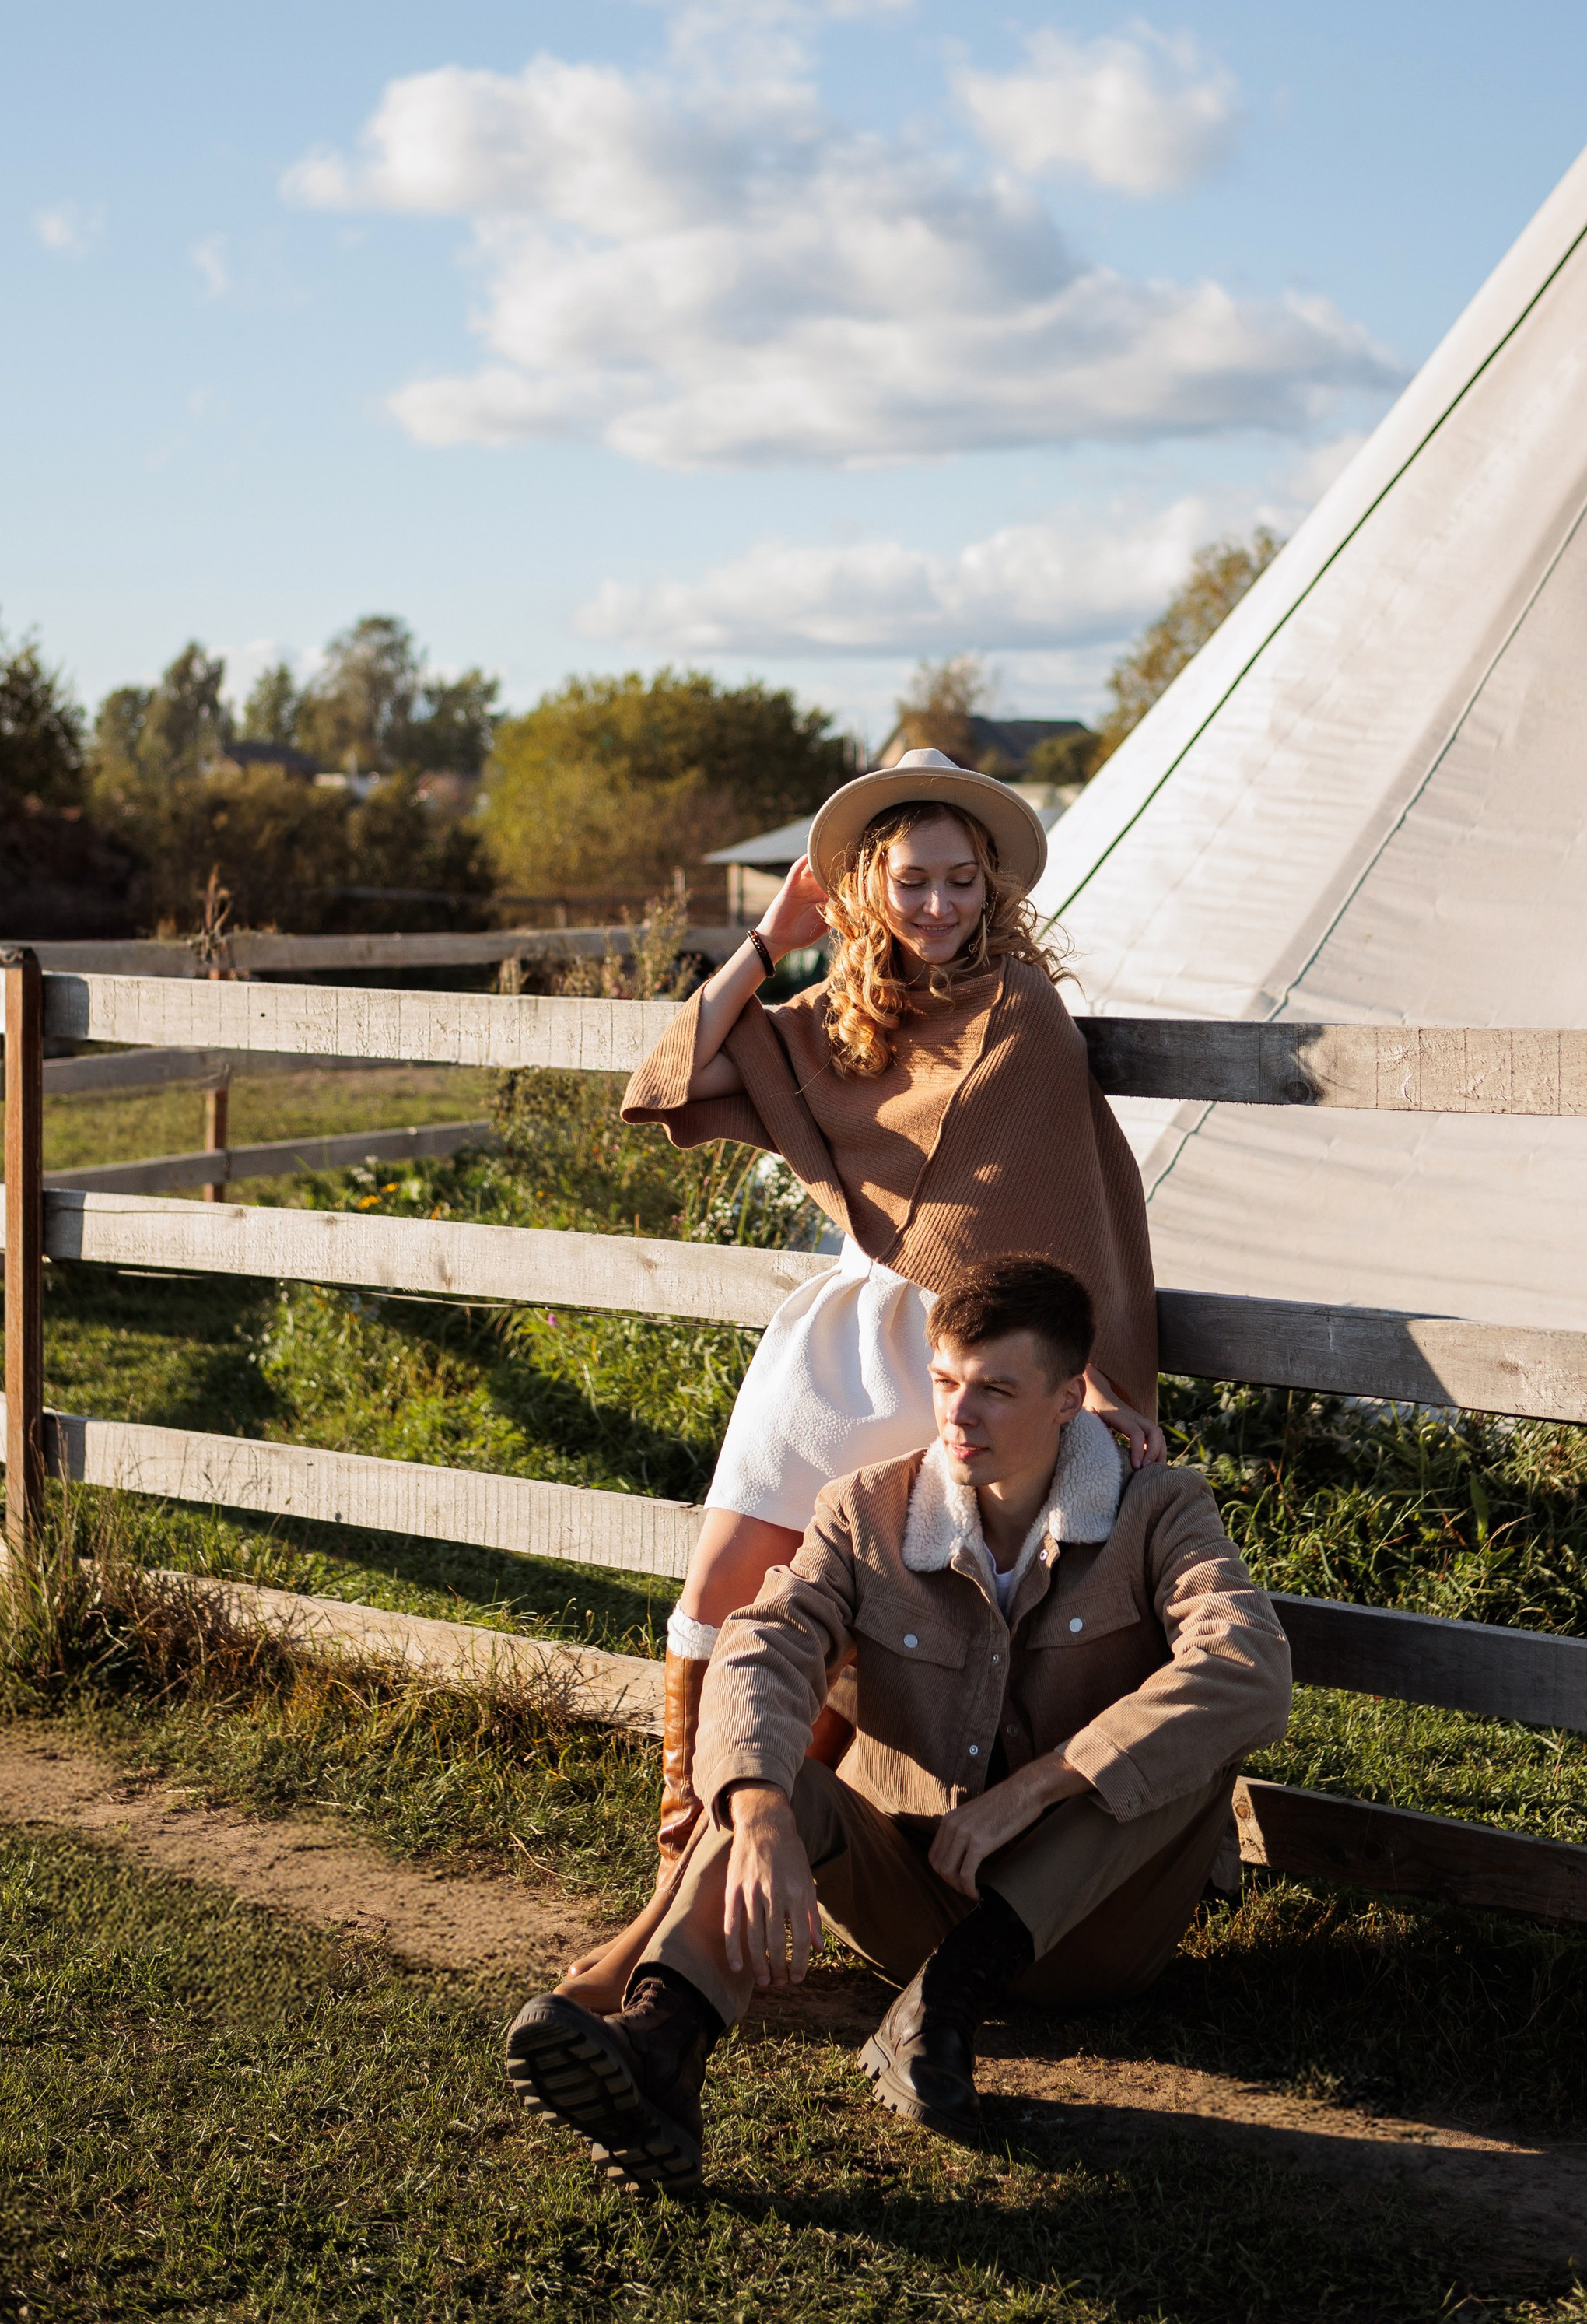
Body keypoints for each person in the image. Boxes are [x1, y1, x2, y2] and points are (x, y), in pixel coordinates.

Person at [559, 747, 1165, 2014]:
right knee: (721, 1597)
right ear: (867, 885)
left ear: (989, 888)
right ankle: (670, 1900)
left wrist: (1101, 1379)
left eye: (959, 881)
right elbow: (665, 1077)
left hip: (952, 1366)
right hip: (836, 1344)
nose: (937, 905)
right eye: (911, 880)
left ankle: (692, 1939)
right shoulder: (835, 1016)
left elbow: (1064, 1215)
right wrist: (775, 936)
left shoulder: (1023, 1015)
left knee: (856, 1638)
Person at [505, 1252, 1291, 2197]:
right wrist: (757, 1815)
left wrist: (1042, 1785)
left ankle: (944, 2009)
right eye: (946, 1382)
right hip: (914, 1897)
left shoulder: (1158, 1510)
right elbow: (763, 1647)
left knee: (1177, 1750)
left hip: (1093, 1934)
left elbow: (1247, 1668)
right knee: (764, 1769)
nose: (959, 1416)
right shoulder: (864, 1511)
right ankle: (660, 2044)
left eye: (998, 1389)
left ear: (1069, 1397)